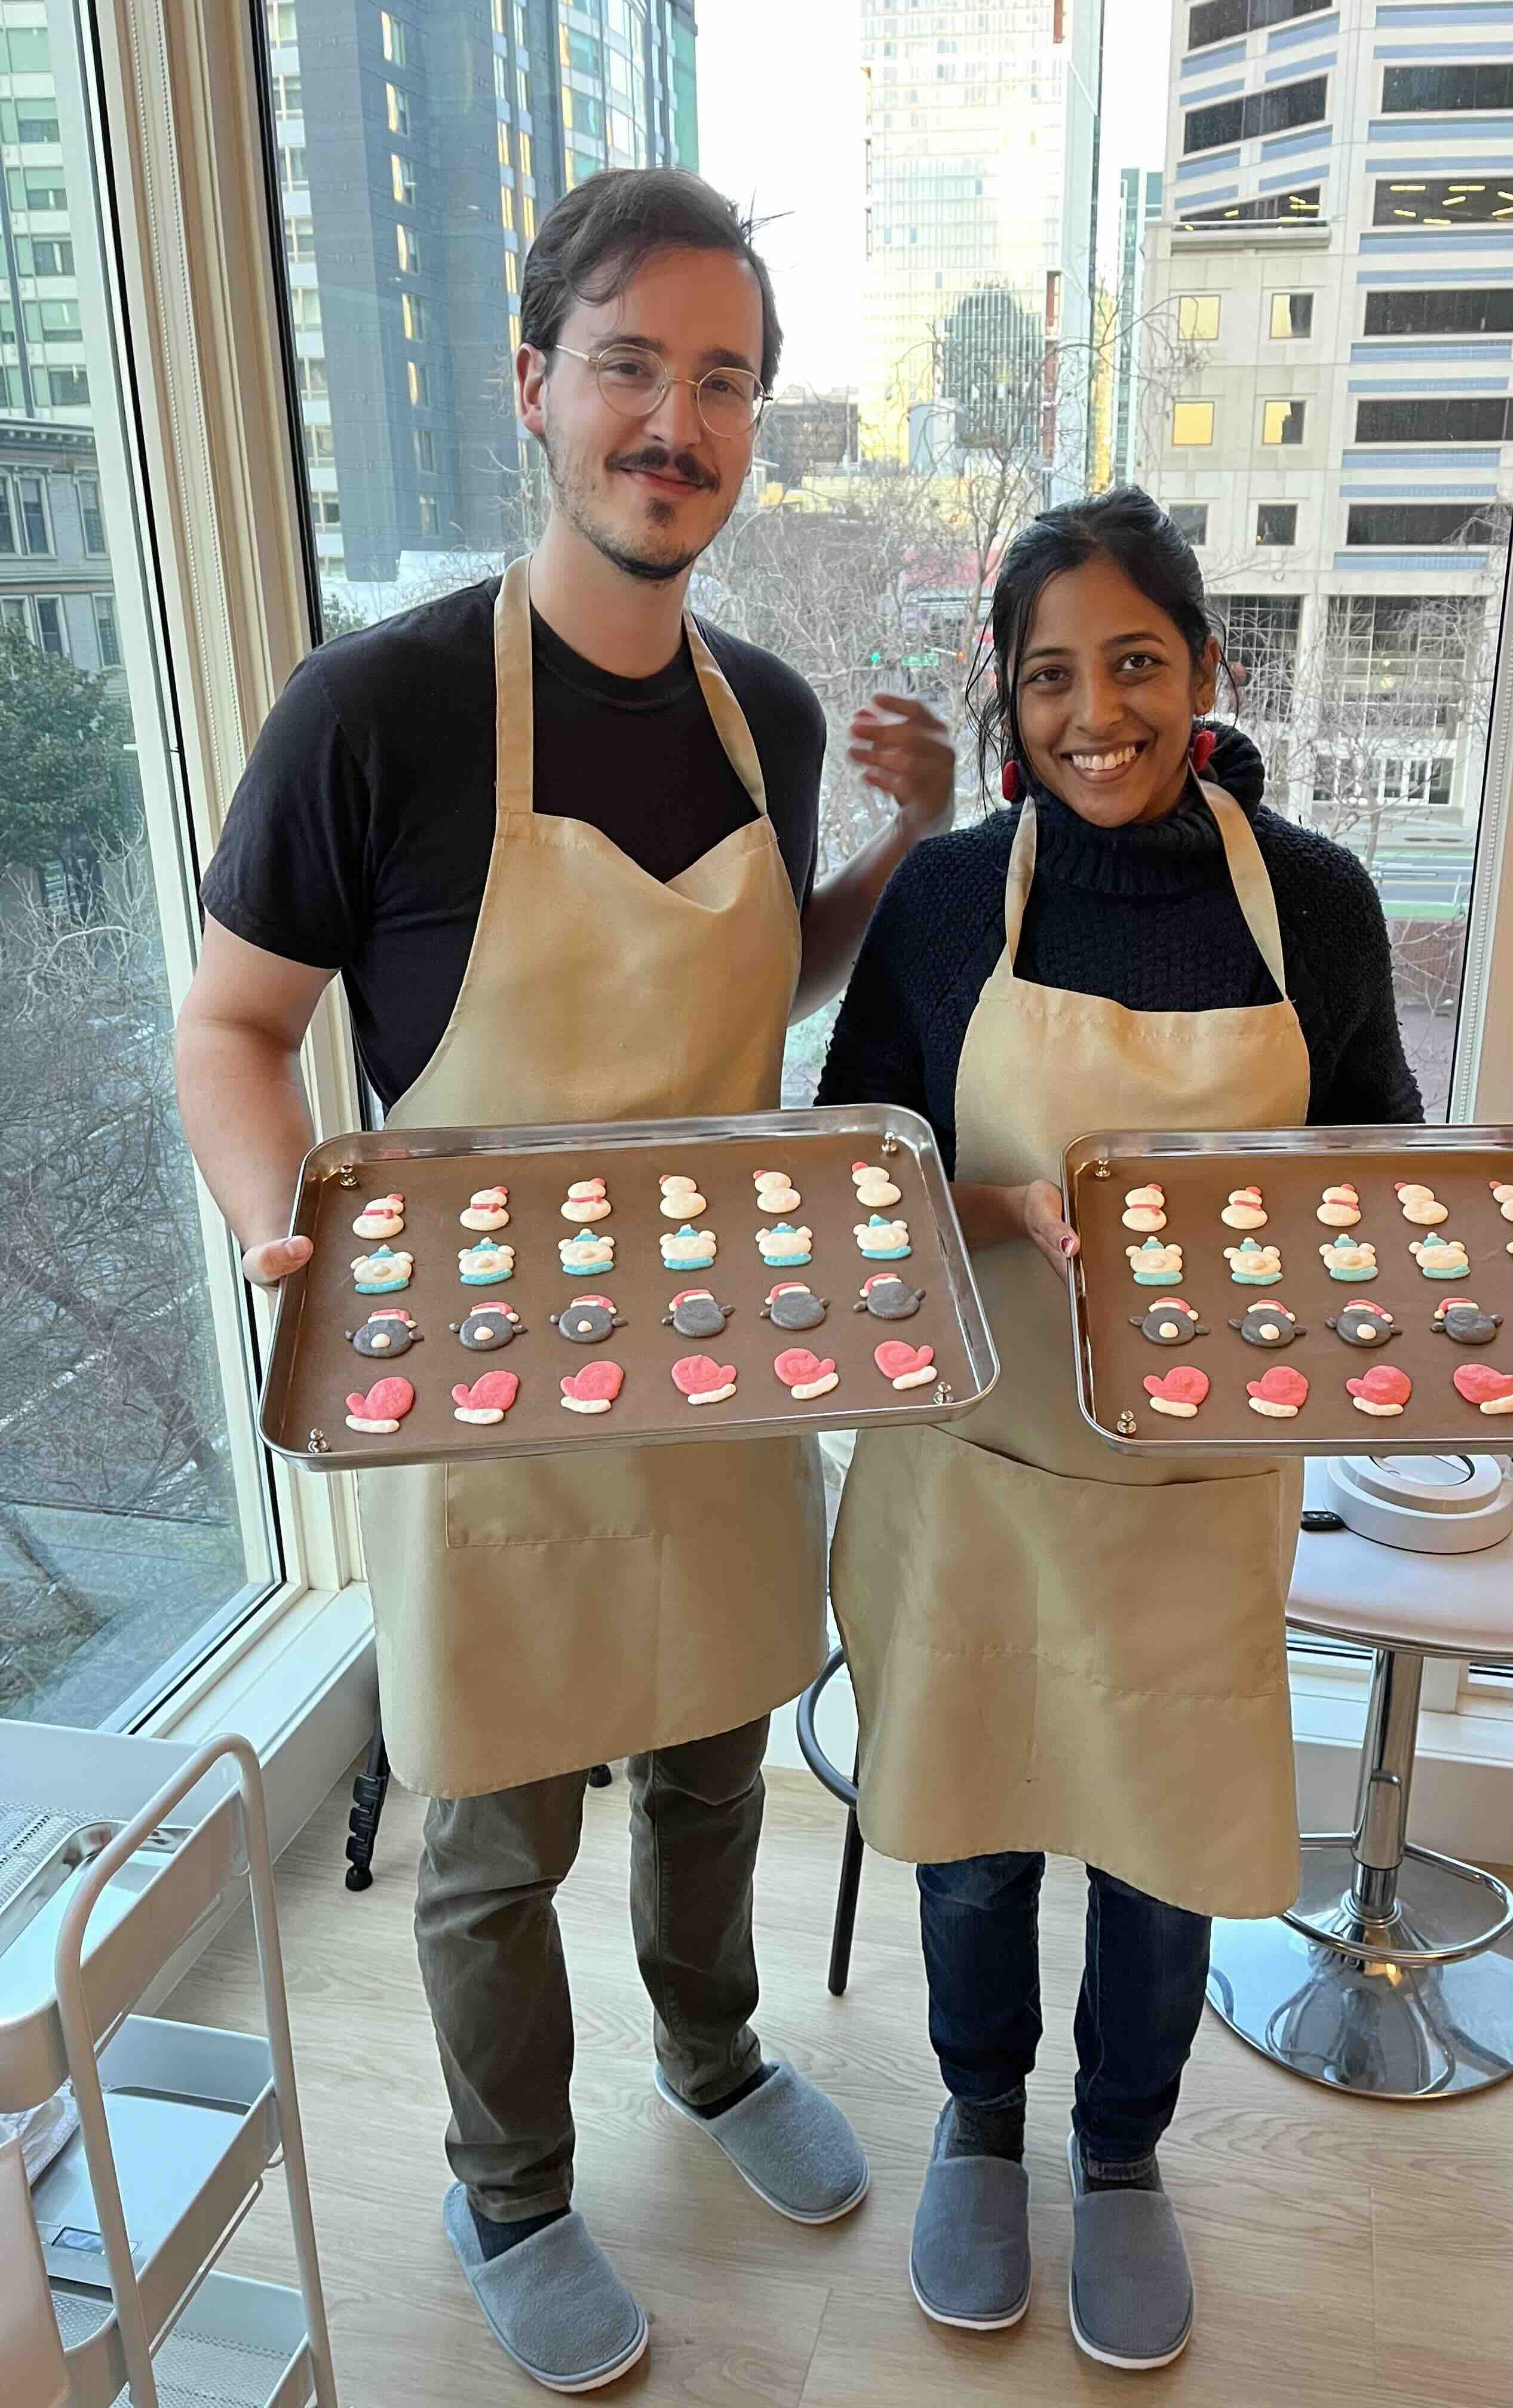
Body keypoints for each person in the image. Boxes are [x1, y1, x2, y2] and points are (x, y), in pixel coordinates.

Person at [176, 169, 955, 2395]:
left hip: (717, 1349)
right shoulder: (375, 710)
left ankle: (710, 2056)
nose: (673, 424)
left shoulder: (762, 715)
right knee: (496, 1830)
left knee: (715, 1761)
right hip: (484, 1372)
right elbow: (232, 1026)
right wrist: (285, 1240)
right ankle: (508, 2186)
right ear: (536, 384)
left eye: (723, 380)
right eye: (629, 365)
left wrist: (900, 848)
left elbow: (755, 991)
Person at [816, 486, 1420, 2372]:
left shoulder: (1311, 899)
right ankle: (980, 2120)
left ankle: (1125, 2151)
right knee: (979, 1832)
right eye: (1052, 677)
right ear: (1007, 697)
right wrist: (995, 1210)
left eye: (1138, 663)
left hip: (1197, 1482)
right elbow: (854, 1176)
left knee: (1160, 1849)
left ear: (1208, 666)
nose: (1098, 715)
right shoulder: (943, 900)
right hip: (981, 1468)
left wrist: (1280, 1248)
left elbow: (1379, 1160)